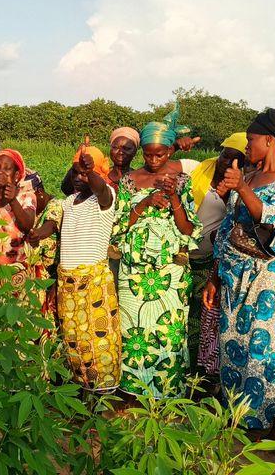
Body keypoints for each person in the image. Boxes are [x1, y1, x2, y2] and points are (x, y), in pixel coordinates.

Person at [203, 108, 275, 440]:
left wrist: (241, 190)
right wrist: (215, 276)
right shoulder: (247, 177)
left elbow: (273, 218)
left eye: (251, 140)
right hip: (234, 276)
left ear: (270, 140)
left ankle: (274, 421)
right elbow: (227, 230)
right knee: (234, 345)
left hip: (269, 278)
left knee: (267, 349)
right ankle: (241, 416)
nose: (247, 147)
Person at [112, 109, 201, 398]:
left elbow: (188, 229)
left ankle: (167, 394)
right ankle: (132, 392)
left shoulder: (182, 181)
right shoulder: (129, 181)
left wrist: (173, 197)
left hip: (169, 273)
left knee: (168, 333)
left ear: (170, 152)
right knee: (133, 330)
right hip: (134, 272)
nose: (153, 160)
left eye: (159, 155)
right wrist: (146, 202)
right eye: (148, 155)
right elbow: (119, 225)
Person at [55, 146, 122, 393]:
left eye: (85, 173)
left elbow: (101, 188)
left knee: (98, 340)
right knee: (74, 341)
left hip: (93, 283)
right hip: (68, 284)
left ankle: (104, 396)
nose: (79, 177)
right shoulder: (68, 202)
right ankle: (83, 392)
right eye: (76, 172)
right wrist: (79, 167)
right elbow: (66, 186)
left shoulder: (105, 198)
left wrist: (91, 171)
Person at [190, 133, 248, 377]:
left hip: (212, 263)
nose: (226, 162)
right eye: (225, 155)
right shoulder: (200, 171)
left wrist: (232, 193)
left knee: (203, 317)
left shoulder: (243, 188)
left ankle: (201, 371)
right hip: (184, 257)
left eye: (236, 159)